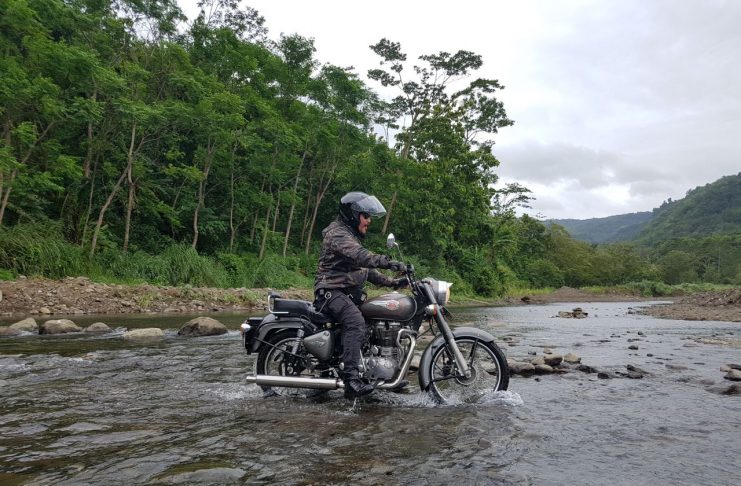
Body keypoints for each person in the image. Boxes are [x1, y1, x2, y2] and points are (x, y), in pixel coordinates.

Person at [314, 192, 407, 399]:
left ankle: (383, 374)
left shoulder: (349, 235)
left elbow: (366, 271)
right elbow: (362, 257)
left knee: (371, 321)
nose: (369, 220)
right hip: (330, 292)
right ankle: (351, 381)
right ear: (353, 215)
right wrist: (388, 262)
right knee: (356, 322)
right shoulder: (338, 234)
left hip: (344, 293)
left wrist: (393, 282)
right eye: (366, 216)